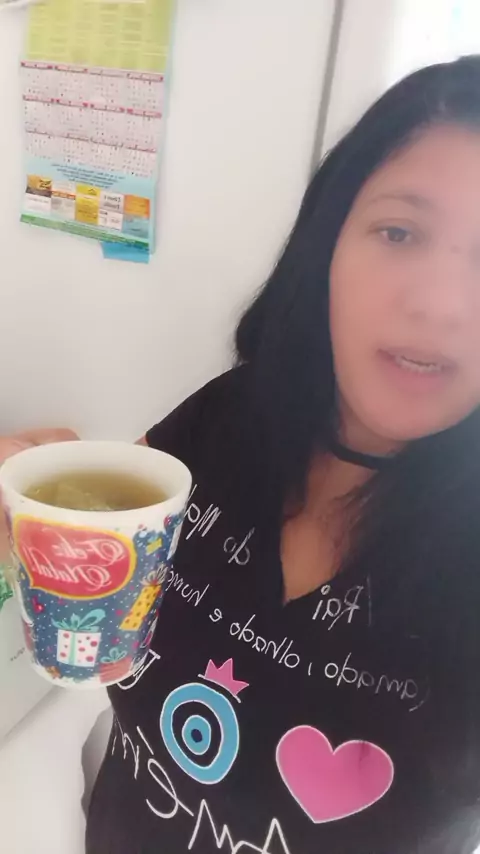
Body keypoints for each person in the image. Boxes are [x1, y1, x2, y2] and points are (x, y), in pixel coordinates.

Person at [6, 55, 480, 853]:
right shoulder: (228, 416)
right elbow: (96, 573)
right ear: (329, 244)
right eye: (399, 233)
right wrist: (29, 515)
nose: (438, 304)